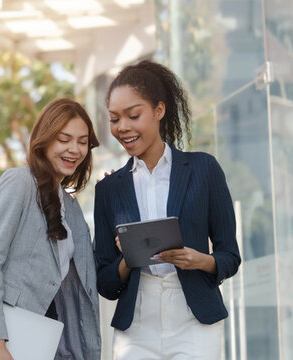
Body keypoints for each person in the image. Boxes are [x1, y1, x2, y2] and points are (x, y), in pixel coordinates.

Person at [94, 60, 242, 359]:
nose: (122, 127)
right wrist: (128, 259)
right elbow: (106, 284)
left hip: (194, 320)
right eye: (113, 119)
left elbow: (230, 256)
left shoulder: (204, 169)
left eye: (133, 115)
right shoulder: (108, 189)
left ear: (159, 111)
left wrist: (201, 260)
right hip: (135, 327)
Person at [0, 98, 102, 360]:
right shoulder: (19, 182)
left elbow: (84, 277)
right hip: (7, 340)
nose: (74, 149)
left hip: (53, 340)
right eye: (64, 139)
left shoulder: (72, 208)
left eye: (82, 141)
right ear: (45, 140)